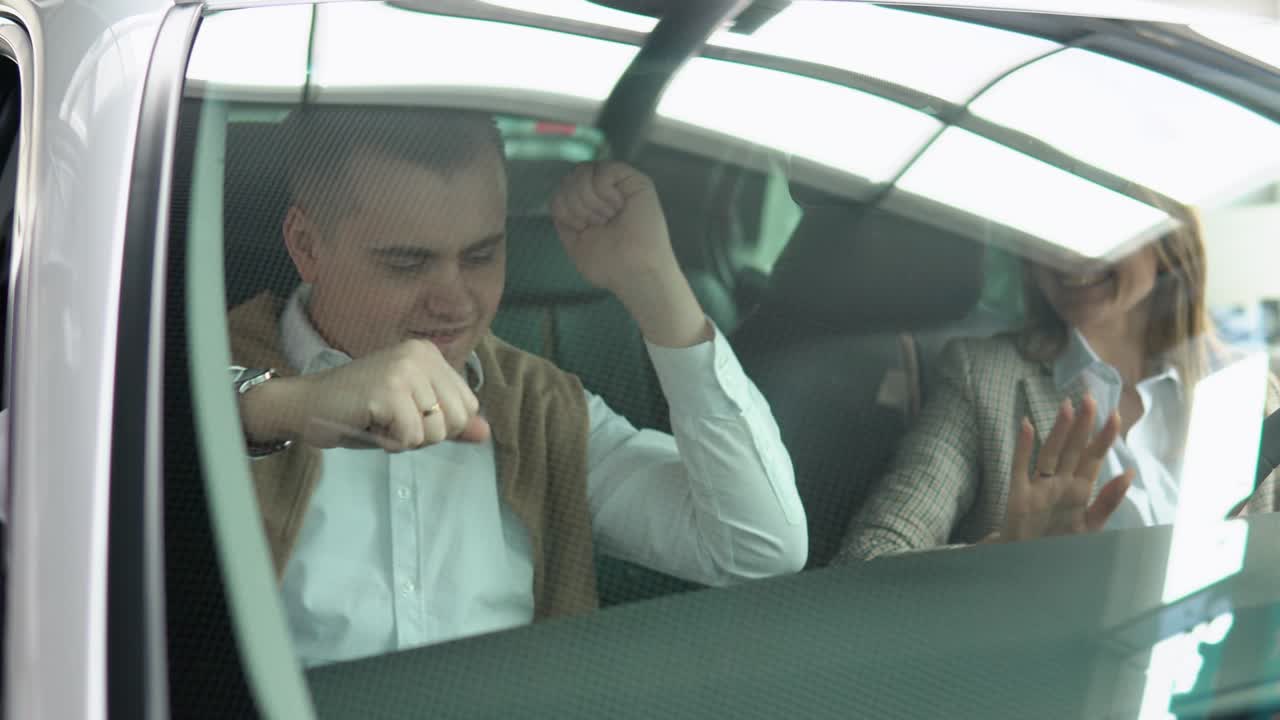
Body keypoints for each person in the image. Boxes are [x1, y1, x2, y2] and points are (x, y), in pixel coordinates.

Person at [227, 106, 806, 667]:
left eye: (481, 255)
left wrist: (652, 280)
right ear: (306, 245)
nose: (454, 302)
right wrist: (274, 408)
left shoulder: (542, 410)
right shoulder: (204, 368)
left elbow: (757, 549)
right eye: (407, 263)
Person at [836, 212, 1280, 562]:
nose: (1068, 252)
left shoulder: (1247, 391)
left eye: (1102, 221)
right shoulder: (981, 375)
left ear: (1167, 240)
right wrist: (1001, 554)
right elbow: (867, 556)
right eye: (1048, 224)